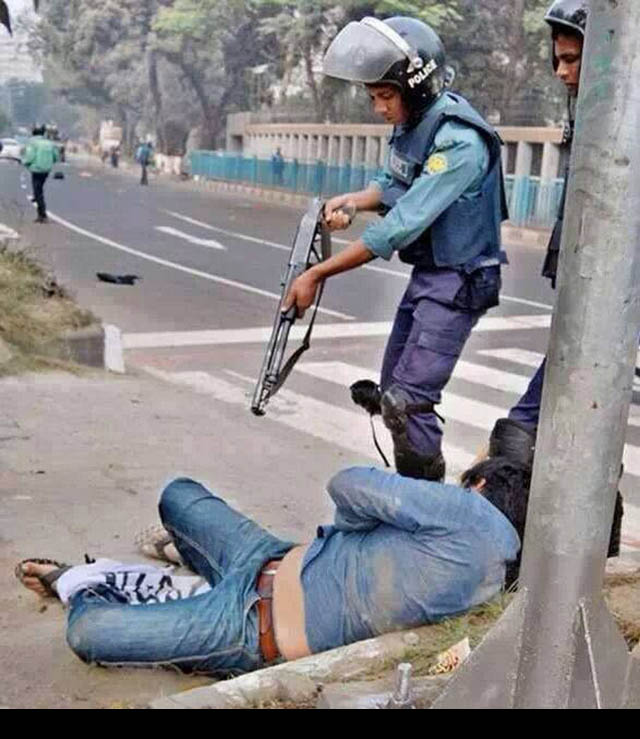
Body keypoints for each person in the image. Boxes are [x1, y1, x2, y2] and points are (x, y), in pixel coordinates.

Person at [15, 458, 529, 677]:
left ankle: (81, 582)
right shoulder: (498, 574)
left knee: (89, 632)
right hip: (265, 558)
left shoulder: (469, 512)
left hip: (246, 628)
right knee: (179, 496)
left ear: (480, 485)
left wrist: (354, 529)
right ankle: (186, 567)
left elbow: (348, 484)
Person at [283, 16, 509, 482]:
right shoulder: (417, 123)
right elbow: (393, 182)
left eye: (386, 96)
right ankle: (418, 490)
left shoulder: (460, 142)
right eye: (373, 97)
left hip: (460, 280)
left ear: (417, 87)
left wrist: (316, 274)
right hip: (430, 274)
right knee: (392, 394)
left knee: (408, 402)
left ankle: (427, 503)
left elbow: (399, 226)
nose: (379, 108)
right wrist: (352, 201)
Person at [484, 1, 621, 557]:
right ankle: (580, 554)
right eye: (557, 60)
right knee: (584, 419)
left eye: (572, 59)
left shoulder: (624, 120)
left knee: (531, 423)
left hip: (613, 297)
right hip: (598, 295)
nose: (561, 71)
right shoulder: (598, 115)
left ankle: (517, 551)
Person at [21, 124, 60, 224]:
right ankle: (40, 211)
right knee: (39, 189)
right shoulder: (50, 143)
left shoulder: (32, 143)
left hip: (36, 170)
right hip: (46, 170)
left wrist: (24, 162)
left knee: (38, 192)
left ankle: (42, 214)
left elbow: (29, 157)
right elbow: (56, 157)